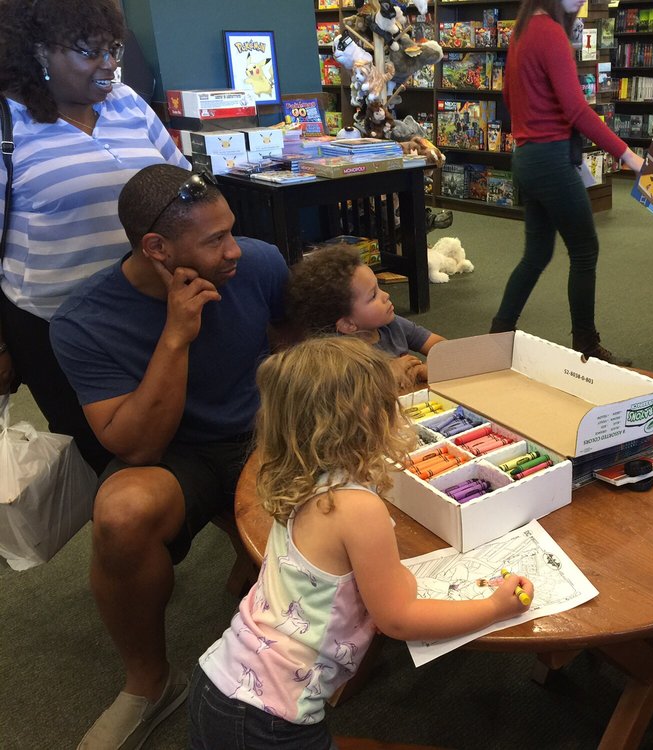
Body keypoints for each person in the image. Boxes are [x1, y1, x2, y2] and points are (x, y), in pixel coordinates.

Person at [189, 336, 534, 749]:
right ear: (370, 418)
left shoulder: (297, 479)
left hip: (218, 682)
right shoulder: (357, 508)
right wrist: (494, 607)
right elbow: (398, 620)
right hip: (268, 721)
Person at [49, 164, 290, 749]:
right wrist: (176, 334)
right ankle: (151, 684)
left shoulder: (259, 263)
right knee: (121, 514)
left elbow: (295, 342)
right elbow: (137, 446)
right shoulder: (83, 320)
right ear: (156, 248)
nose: (234, 250)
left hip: (269, 433)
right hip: (181, 452)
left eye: (231, 230)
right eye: (215, 240)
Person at [0, 0, 189, 473]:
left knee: (175, 432)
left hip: (148, 310)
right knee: (106, 456)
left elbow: (180, 182)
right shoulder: (8, 122)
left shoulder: (126, 102)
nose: (109, 64)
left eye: (114, 49)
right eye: (90, 51)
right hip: (54, 327)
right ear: (39, 52)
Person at [489, 0, 646, 366]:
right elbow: (577, 110)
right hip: (551, 160)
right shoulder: (551, 33)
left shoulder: (523, 30)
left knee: (536, 254)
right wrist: (629, 156)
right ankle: (586, 346)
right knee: (585, 249)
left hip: (527, 157)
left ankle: (497, 336)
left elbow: (508, 96)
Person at [286, 242, 444, 389]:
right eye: (373, 296)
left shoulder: (392, 324)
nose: (386, 295)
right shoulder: (338, 355)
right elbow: (347, 396)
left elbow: (441, 346)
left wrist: (429, 368)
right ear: (348, 324)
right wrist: (386, 375)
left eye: (379, 287)